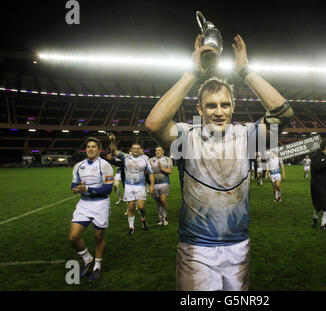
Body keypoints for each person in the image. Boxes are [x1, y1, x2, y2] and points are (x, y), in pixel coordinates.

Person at [145, 34, 293, 291]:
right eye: (211, 105)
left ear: (233, 106)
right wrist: (192, 72)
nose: (219, 111)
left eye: (225, 104)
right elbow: (154, 124)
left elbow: (283, 114)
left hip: (238, 245)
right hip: (196, 248)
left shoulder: (247, 137)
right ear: (200, 110)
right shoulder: (186, 138)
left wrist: (245, 71)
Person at [69, 137, 114, 282]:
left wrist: (87, 188)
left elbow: (107, 189)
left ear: (99, 150)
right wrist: (76, 189)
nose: (90, 149)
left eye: (93, 146)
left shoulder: (105, 165)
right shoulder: (78, 166)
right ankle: (88, 259)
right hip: (84, 204)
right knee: (73, 237)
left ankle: (97, 266)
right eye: (88, 146)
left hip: (100, 205)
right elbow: (73, 185)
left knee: (98, 237)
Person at [108, 134, 155, 234]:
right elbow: (114, 151)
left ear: (140, 149)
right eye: (134, 148)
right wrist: (113, 141)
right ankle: (131, 227)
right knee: (131, 207)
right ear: (131, 149)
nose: (136, 150)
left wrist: (151, 185)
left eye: (138, 148)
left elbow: (150, 172)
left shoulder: (145, 159)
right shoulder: (125, 157)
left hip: (141, 186)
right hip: (129, 186)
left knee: (141, 207)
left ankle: (143, 219)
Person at [149, 146, 173, 226]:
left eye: (159, 150)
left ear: (163, 151)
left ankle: (165, 216)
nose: (157, 152)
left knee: (162, 200)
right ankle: (161, 219)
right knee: (158, 202)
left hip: (164, 182)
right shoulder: (151, 160)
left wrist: (161, 168)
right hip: (155, 183)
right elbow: (149, 172)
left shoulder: (167, 159)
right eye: (156, 150)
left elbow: (170, 171)